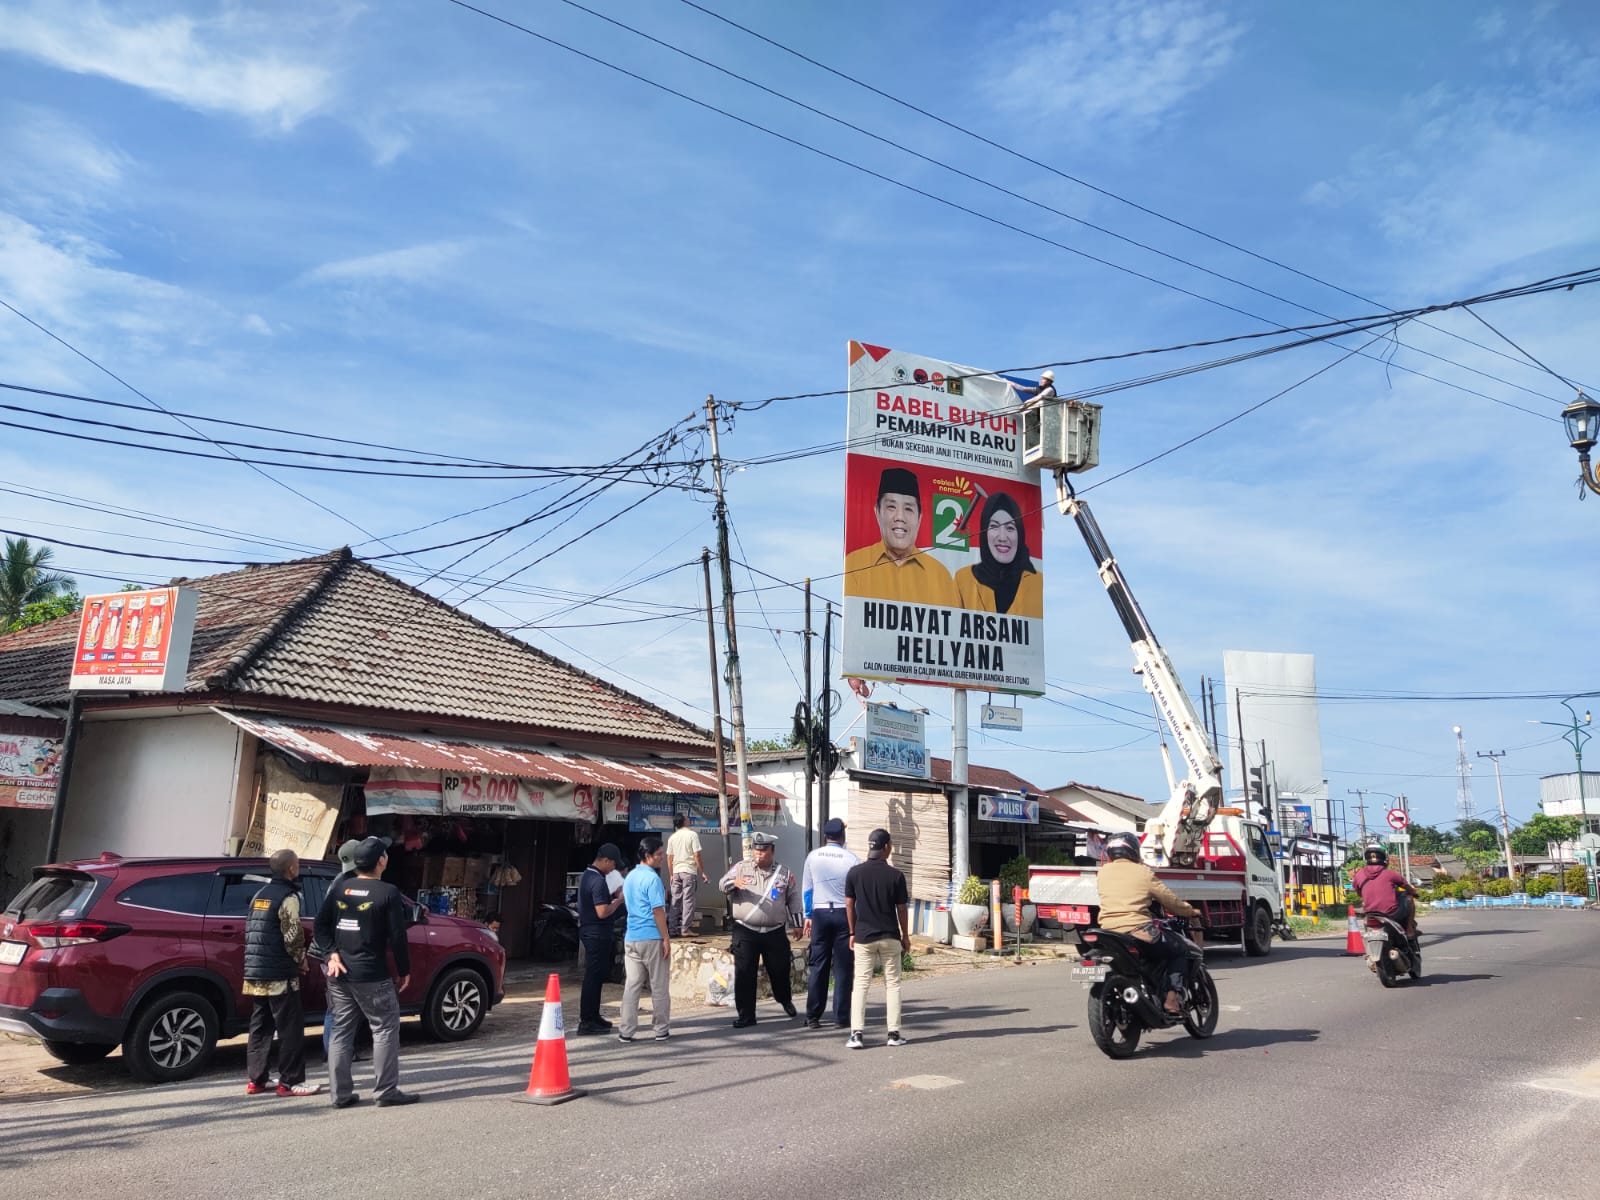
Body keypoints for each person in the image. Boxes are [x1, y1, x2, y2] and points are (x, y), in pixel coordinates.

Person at [315, 836, 418, 1107]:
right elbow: (397, 936)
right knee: (384, 1028)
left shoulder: (341, 888)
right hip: (372, 974)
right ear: (381, 861)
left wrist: (331, 953)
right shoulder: (388, 892)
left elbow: (320, 926)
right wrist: (405, 970)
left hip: (339, 973)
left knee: (341, 1031)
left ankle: (340, 1095)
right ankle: (386, 1092)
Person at [243, 849, 322, 1097]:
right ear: (291, 869)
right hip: (279, 973)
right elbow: (292, 935)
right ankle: (290, 1082)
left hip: (256, 971)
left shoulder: (260, 895)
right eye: (297, 864)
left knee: (260, 1026)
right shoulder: (288, 896)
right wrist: (301, 960)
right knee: (290, 1028)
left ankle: (256, 1079)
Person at [1094, 831, 1202, 1015]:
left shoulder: (1102, 872)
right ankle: (1171, 1000)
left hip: (1108, 931)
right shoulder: (1142, 872)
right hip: (1137, 929)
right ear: (1133, 851)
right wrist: (1190, 911)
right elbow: (1169, 899)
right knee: (1179, 951)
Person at [842, 467, 960, 606]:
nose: (900, 517)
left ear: (919, 518)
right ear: (877, 512)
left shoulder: (940, 575)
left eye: (908, 509)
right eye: (891, 507)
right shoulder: (855, 564)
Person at [719, 831, 802, 1027]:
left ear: (771, 851)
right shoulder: (741, 868)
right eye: (756, 851)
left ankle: (784, 999)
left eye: (763, 851)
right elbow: (722, 884)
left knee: (780, 970)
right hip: (746, 931)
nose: (758, 855)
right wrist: (734, 883)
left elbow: (794, 898)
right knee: (745, 973)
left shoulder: (784, 873)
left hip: (774, 931)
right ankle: (746, 1015)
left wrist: (797, 923)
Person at [844, 828, 911, 1049]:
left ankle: (856, 1034)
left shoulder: (855, 873)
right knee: (892, 984)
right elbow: (901, 909)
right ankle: (893, 1033)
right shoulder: (896, 875)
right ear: (886, 847)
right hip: (890, 936)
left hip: (864, 936)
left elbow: (849, 904)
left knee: (861, 984)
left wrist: (852, 932)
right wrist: (905, 936)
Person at [801, 817, 859, 1030]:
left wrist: (808, 915)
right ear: (842, 836)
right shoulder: (852, 859)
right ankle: (841, 1017)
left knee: (819, 965)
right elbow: (856, 894)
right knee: (843, 967)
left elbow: (807, 889)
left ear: (826, 835)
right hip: (844, 914)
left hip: (820, 913)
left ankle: (813, 1016)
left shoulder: (813, 857)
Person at [953, 492, 1043, 619]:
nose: (1002, 537)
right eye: (994, 526)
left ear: (1020, 534)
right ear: (984, 532)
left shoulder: (1036, 581)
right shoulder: (963, 579)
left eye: (1010, 528)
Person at [316, 838, 366, 1062]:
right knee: (339, 1008)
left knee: (339, 1007)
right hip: (336, 952)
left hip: (330, 951)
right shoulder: (349, 883)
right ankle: (335, 1053)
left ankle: (340, 1051)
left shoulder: (340, 880)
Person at [618, 835, 672, 1042]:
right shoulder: (652, 879)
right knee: (659, 985)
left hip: (631, 936)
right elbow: (658, 911)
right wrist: (665, 938)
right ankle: (661, 1029)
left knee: (632, 985)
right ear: (648, 856)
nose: (661, 858)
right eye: (658, 854)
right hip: (651, 936)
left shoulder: (630, 876)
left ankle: (626, 1030)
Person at [576, 843, 626, 1035]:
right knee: (593, 976)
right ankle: (587, 1021)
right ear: (605, 860)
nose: (613, 868)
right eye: (613, 864)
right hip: (596, 932)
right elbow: (603, 911)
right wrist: (619, 901)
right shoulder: (597, 880)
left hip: (593, 931)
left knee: (597, 976)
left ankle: (593, 1015)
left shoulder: (589, 875)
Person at [1350, 846, 1418, 941]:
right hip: (1391, 913)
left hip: (1370, 913)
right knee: (1409, 899)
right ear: (1384, 859)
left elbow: (1359, 893)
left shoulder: (1359, 874)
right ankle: (1409, 929)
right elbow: (1407, 887)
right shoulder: (1390, 874)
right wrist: (1414, 892)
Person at [665, 814, 707, 937]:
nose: (689, 819)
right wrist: (703, 872)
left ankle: (672, 929)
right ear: (684, 821)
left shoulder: (672, 837)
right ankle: (685, 929)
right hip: (688, 871)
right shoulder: (692, 835)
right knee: (688, 900)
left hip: (676, 871)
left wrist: (671, 874)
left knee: (675, 900)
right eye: (687, 818)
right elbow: (697, 855)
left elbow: (669, 858)